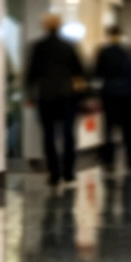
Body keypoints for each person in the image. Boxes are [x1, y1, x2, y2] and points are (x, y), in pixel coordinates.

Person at [24, 11, 89, 187]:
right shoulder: (69, 46)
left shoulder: (38, 47)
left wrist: (30, 95)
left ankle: (54, 172)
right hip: (68, 96)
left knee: (49, 135)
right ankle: (69, 172)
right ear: (60, 26)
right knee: (68, 134)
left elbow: (32, 73)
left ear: (44, 26)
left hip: (46, 96)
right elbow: (80, 71)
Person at [95, 24, 131, 172]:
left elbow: (97, 73)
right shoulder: (128, 53)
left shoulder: (104, 53)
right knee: (129, 128)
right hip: (128, 95)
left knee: (109, 128)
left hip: (110, 94)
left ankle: (109, 160)